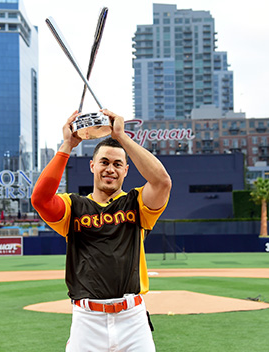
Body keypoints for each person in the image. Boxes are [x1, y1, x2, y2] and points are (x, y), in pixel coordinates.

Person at [31, 109, 172, 351]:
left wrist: (122, 138)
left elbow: (162, 182)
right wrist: (67, 145)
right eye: (104, 162)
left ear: (126, 170)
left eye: (118, 164)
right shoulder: (73, 206)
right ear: (92, 166)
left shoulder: (136, 204)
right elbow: (40, 199)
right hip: (87, 320)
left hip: (132, 318)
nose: (110, 169)